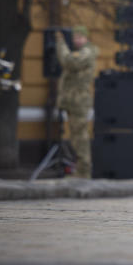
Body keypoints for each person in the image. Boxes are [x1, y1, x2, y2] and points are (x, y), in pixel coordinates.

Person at [53, 26, 97, 178]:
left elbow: (69, 62)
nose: (76, 41)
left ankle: (84, 171)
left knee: (80, 137)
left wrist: (60, 44)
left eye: (80, 37)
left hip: (79, 102)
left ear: (86, 38)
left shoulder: (88, 52)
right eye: (75, 38)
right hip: (73, 102)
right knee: (75, 137)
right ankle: (80, 169)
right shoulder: (80, 51)